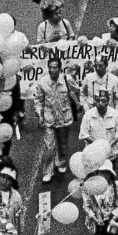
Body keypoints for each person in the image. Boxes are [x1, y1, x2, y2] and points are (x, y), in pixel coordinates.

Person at [32, 55, 77, 183]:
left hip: (64, 118)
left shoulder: (67, 80)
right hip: (49, 119)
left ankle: (61, 162)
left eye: (55, 68)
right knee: (49, 147)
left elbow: (76, 91)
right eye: (50, 68)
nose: (52, 70)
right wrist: (40, 115)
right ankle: (48, 171)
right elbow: (38, 101)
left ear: (60, 69)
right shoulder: (42, 82)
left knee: (62, 144)